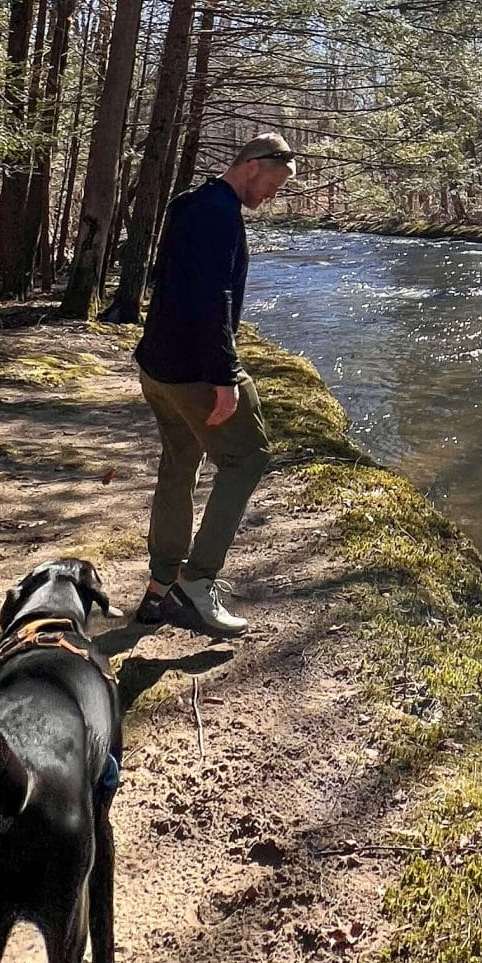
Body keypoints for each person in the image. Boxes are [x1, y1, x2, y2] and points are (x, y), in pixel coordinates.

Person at [131, 132, 295, 640]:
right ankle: (196, 582)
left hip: (156, 367)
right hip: (195, 371)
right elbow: (212, 299)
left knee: (179, 463)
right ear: (251, 165)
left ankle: (159, 588)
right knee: (250, 457)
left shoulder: (188, 204)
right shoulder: (220, 214)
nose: (273, 194)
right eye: (273, 182)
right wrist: (224, 375)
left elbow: (168, 283)